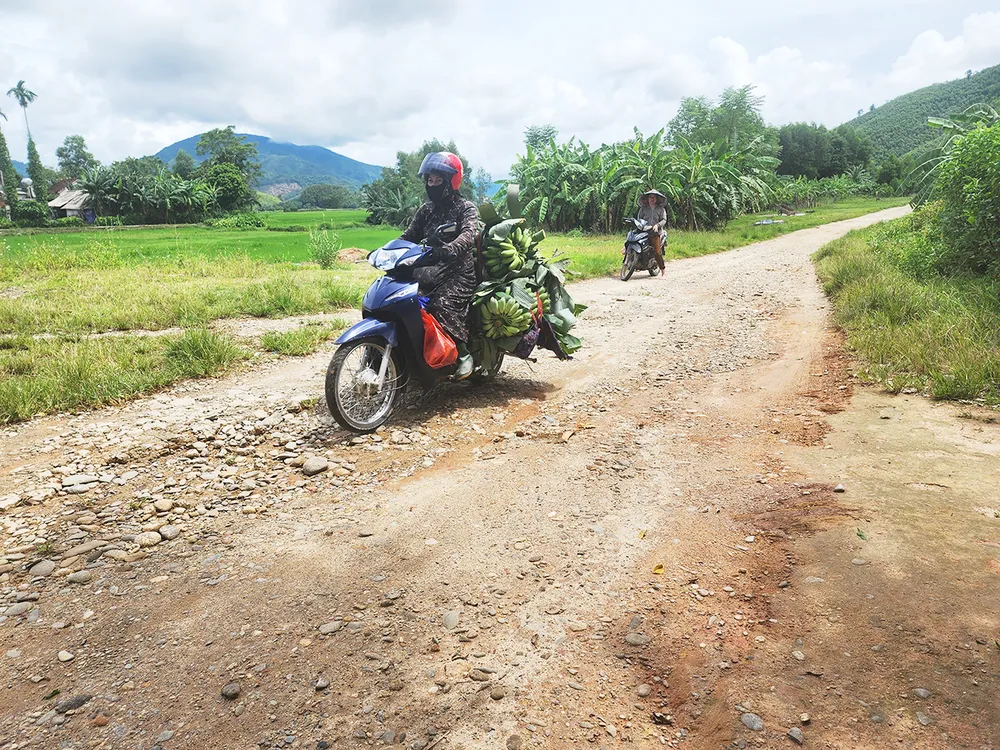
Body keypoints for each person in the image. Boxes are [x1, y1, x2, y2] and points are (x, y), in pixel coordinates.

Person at [400, 152, 479, 379]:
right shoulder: (426, 210)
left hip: (458, 273)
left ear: (451, 181)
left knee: (439, 304)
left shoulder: (466, 208)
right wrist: (387, 250)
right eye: (429, 180)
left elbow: (468, 236)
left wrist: (449, 249)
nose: (432, 185)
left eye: (438, 181)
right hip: (427, 271)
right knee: (401, 302)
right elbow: (408, 237)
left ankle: (463, 354)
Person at [636, 189, 667, 272]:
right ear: (647, 199)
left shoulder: (661, 209)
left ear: (656, 199)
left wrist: (657, 225)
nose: (652, 199)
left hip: (655, 233)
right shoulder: (643, 209)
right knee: (632, 237)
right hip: (644, 231)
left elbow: (664, 220)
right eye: (650, 197)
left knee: (657, 252)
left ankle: (663, 271)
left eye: (654, 197)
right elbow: (639, 219)